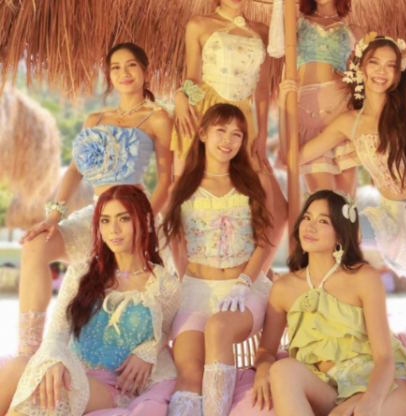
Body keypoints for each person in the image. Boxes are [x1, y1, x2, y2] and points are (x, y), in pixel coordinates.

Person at [279, 32, 406, 383]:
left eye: (391, 65)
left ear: (399, 72)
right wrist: (287, 105)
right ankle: (330, 338)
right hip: (389, 217)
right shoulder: (349, 122)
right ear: (360, 67)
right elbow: (292, 158)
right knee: (335, 231)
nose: (382, 71)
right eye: (374, 63)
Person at [251, 190, 406, 416]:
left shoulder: (364, 278)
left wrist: (370, 402)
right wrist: (263, 368)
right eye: (307, 218)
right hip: (325, 389)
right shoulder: (283, 289)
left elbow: (384, 356)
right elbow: (266, 351)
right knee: (281, 369)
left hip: (380, 387)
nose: (310, 227)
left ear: (340, 235)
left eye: (323, 221)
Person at [17, 43, 173, 357]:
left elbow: (167, 179)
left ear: (146, 71)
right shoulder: (95, 118)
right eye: (115, 67)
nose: (123, 73)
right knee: (34, 245)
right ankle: (28, 352)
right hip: (96, 213)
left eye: (131, 65)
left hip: (133, 214)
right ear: (109, 75)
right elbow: (75, 171)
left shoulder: (158, 119)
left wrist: (144, 220)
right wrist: (54, 216)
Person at [0, 185, 181, 416]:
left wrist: (148, 352)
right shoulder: (81, 273)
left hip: (111, 387)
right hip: (71, 366)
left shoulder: (165, 285)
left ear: (145, 221)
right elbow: (57, 331)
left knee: (49, 390)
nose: (113, 229)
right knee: (19, 366)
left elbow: (166, 333)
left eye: (123, 218)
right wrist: (54, 359)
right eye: (105, 221)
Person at [162, 104, 275, 416]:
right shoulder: (181, 187)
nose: (228, 140)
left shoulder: (256, 182)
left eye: (237, 134)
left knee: (218, 328)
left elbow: (265, 243)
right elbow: (177, 247)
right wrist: (182, 285)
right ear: (202, 134)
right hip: (195, 291)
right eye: (221, 130)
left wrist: (243, 283)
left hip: (244, 290)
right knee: (188, 373)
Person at [171, 0, 287, 264]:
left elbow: (262, 89)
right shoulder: (198, 24)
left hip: (244, 120)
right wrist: (180, 96)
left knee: (276, 207)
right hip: (205, 114)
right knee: (185, 199)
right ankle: (186, 273)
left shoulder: (263, 30)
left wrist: (261, 134)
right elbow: (192, 77)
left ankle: (256, 274)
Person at [269, 0, 365, 194]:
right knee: (323, 197)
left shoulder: (354, 30)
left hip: (342, 110)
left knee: (347, 202)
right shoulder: (295, 23)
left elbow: (371, 71)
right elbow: (275, 49)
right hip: (308, 113)